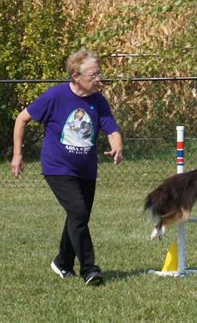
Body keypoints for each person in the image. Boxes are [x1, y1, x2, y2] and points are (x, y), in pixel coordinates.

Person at [11, 48, 123, 286]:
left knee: (78, 216)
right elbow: (22, 118)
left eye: (98, 74)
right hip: (57, 167)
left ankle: (62, 262)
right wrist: (18, 154)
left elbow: (111, 128)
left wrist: (117, 146)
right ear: (75, 76)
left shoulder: (98, 100)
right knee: (79, 213)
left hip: (86, 169)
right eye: (93, 75)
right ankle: (90, 269)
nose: (98, 79)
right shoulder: (55, 96)